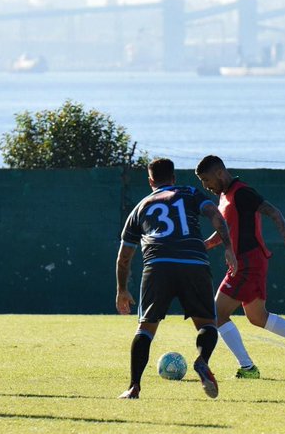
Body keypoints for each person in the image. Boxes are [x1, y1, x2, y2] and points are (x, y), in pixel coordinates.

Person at [194, 155, 285, 379]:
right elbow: (225, 231)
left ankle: (247, 368)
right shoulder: (224, 197)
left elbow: (273, 211)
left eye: (207, 180)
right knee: (257, 317)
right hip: (245, 262)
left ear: (219, 173)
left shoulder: (242, 192)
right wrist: (204, 245)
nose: (206, 186)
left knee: (217, 314)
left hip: (248, 262)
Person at [116, 158, 237, 400]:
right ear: (173, 178)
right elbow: (214, 213)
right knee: (206, 324)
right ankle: (202, 361)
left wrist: (122, 290)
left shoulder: (140, 207)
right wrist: (228, 248)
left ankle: (134, 388)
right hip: (194, 262)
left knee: (146, 329)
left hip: (157, 265)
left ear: (151, 181)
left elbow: (124, 257)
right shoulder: (190, 192)